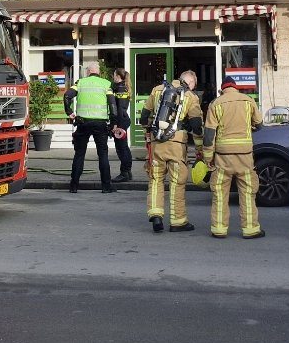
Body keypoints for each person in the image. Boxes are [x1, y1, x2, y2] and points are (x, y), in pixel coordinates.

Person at [138, 70, 203, 233]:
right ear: (191, 83)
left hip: (157, 144)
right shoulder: (190, 96)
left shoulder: (158, 90)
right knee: (177, 183)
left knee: (155, 180)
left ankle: (156, 215)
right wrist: (200, 149)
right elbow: (196, 125)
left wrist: (150, 132)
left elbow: (144, 117)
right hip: (177, 145)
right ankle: (178, 221)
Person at [201, 76, 265, 239]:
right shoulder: (248, 101)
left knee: (220, 193)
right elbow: (259, 123)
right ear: (236, 88)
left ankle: (219, 229)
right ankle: (250, 229)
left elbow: (209, 134)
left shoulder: (215, 103)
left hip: (223, 157)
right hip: (244, 157)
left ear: (222, 89)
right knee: (248, 192)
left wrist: (208, 157)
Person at [64, 61, 121, 194]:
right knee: (103, 155)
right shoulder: (106, 84)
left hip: (83, 123)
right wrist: (113, 123)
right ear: (98, 72)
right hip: (100, 124)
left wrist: (69, 112)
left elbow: (67, 96)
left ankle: (74, 186)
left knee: (79, 154)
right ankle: (106, 186)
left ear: (88, 72)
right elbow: (113, 105)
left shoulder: (80, 83)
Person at [111, 68, 134, 182]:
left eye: (114, 75)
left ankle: (124, 173)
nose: (113, 77)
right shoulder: (123, 87)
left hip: (120, 121)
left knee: (121, 148)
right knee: (124, 147)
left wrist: (116, 124)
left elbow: (119, 108)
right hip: (123, 120)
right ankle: (127, 172)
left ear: (118, 76)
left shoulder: (119, 89)